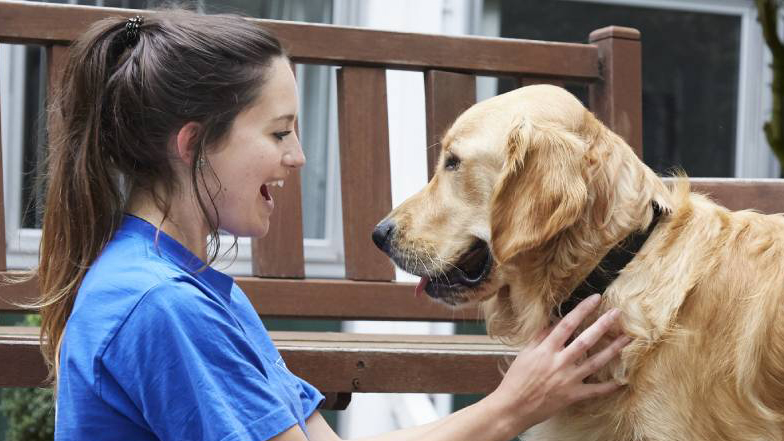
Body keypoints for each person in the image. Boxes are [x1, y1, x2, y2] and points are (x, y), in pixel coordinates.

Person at [33, 8, 631, 441]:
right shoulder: (160, 307)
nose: (297, 156)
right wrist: (511, 407)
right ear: (193, 146)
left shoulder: (196, 292)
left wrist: (516, 405)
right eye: (278, 132)